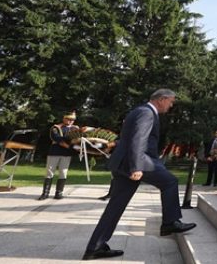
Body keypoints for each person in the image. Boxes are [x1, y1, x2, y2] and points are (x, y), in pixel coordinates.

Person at [82, 89, 196, 261]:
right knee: (170, 182)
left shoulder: (140, 110)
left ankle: (95, 247)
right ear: (162, 99)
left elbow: (129, 137)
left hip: (124, 163)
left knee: (115, 207)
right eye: (171, 102)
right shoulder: (147, 113)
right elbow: (138, 139)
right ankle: (170, 223)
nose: (171, 105)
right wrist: (136, 167)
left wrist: (116, 145)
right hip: (135, 162)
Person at [39, 111, 79, 200]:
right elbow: (55, 138)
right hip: (55, 152)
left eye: (72, 120)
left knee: (63, 173)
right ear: (64, 118)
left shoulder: (75, 128)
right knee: (49, 172)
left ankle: (59, 193)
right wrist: (68, 139)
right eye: (69, 119)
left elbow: (78, 140)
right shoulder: (56, 127)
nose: (70, 121)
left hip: (66, 153)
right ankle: (45, 193)